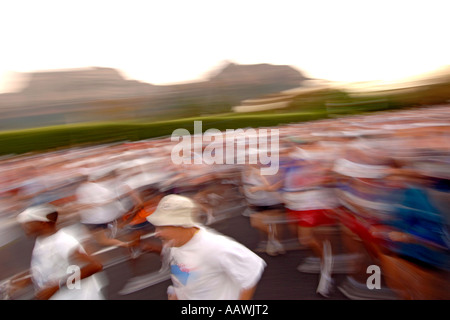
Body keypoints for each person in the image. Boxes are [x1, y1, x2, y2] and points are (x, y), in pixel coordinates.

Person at [145, 194, 266, 300]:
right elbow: (184, 272)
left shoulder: (215, 246)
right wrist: (178, 294)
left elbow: (252, 270)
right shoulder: (173, 244)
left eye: (162, 227)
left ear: (182, 225)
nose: (156, 233)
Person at [12, 203, 107, 300]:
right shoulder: (41, 240)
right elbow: (51, 265)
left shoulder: (63, 242)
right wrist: (28, 278)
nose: (24, 227)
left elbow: (95, 266)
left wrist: (57, 286)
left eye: (28, 223)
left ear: (43, 223)